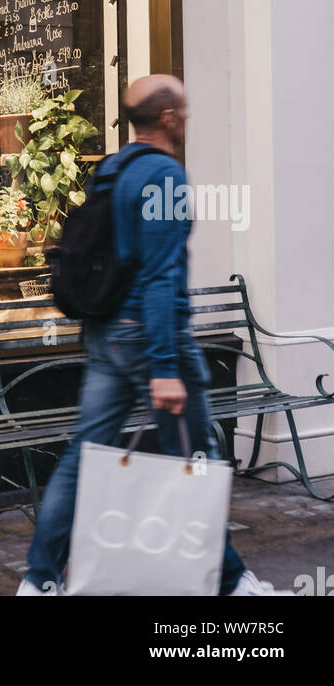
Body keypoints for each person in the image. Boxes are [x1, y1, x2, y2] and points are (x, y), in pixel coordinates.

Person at [17, 74, 280, 598]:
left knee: (84, 454)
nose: (187, 119)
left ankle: (39, 580)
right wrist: (164, 368)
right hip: (149, 340)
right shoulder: (164, 175)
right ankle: (232, 584)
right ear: (167, 117)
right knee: (196, 458)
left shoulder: (112, 169)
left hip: (105, 336)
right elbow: (162, 277)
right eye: (183, 110)